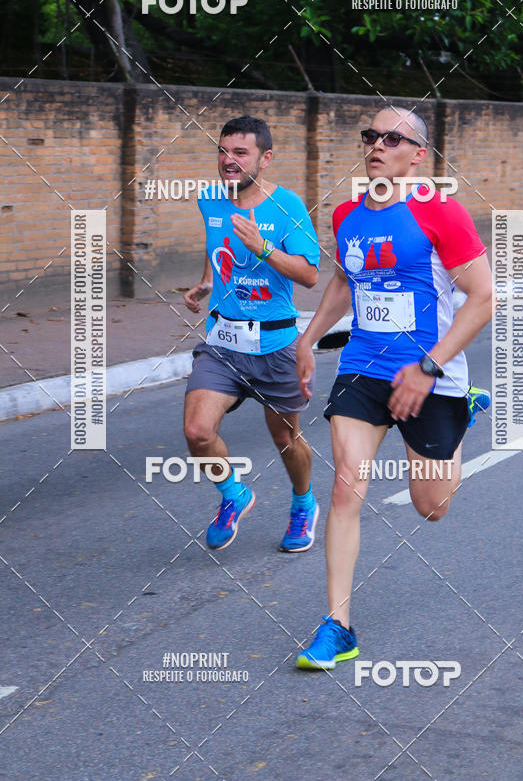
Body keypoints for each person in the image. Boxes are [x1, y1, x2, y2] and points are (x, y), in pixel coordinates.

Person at [295, 107, 493, 669]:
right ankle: (338, 626)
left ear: (418, 155)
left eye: (392, 138)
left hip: (431, 373)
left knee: (432, 506)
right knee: (345, 489)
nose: (377, 145)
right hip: (363, 366)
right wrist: (309, 338)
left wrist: (428, 367)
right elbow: (344, 279)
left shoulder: (441, 212)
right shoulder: (348, 214)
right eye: (371, 136)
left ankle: (462, 413)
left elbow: (483, 297)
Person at [183, 115, 321, 552]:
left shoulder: (288, 207)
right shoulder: (210, 199)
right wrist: (207, 281)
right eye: (223, 151)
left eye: (240, 152)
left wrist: (262, 248)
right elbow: (217, 243)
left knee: (285, 438)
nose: (229, 160)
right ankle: (234, 494)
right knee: (197, 431)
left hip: (276, 345)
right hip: (222, 344)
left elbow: (310, 274)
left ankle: (304, 503)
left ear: (266, 158)